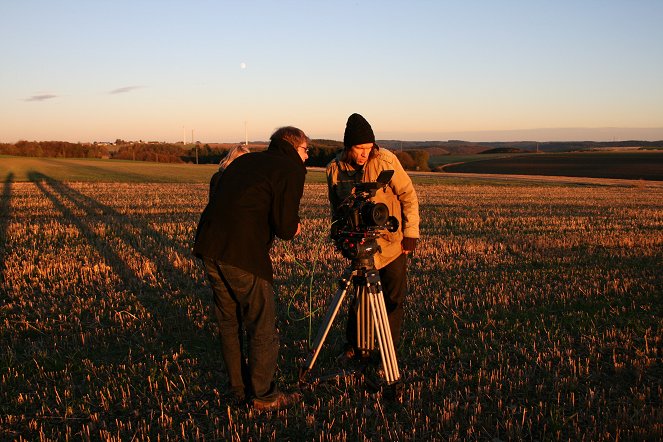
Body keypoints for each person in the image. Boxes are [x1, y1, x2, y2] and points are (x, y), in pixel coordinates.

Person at [194, 126, 309, 411]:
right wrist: (293, 228)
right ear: (293, 146)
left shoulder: (247, 161)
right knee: (262, 324)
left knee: (229, 321)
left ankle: (237, 387)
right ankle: (264, 396)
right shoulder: (291, 169)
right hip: (242, 253)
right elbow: (284, 226)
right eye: (306, 150)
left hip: (209, 246)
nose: (307, 157)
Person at [326, 113, 420, 367]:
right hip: (360, 246)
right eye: (359, 148)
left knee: (392, 299)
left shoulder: (387, 160)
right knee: (359, 300)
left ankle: (389, 354)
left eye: (369, 147)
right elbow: (337, 208)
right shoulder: (335, 169)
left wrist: (411, 234)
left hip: (392, 244)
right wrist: (341, 235)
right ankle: (355, 348)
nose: (365, 153)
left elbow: (408, 196)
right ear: (348, 147)